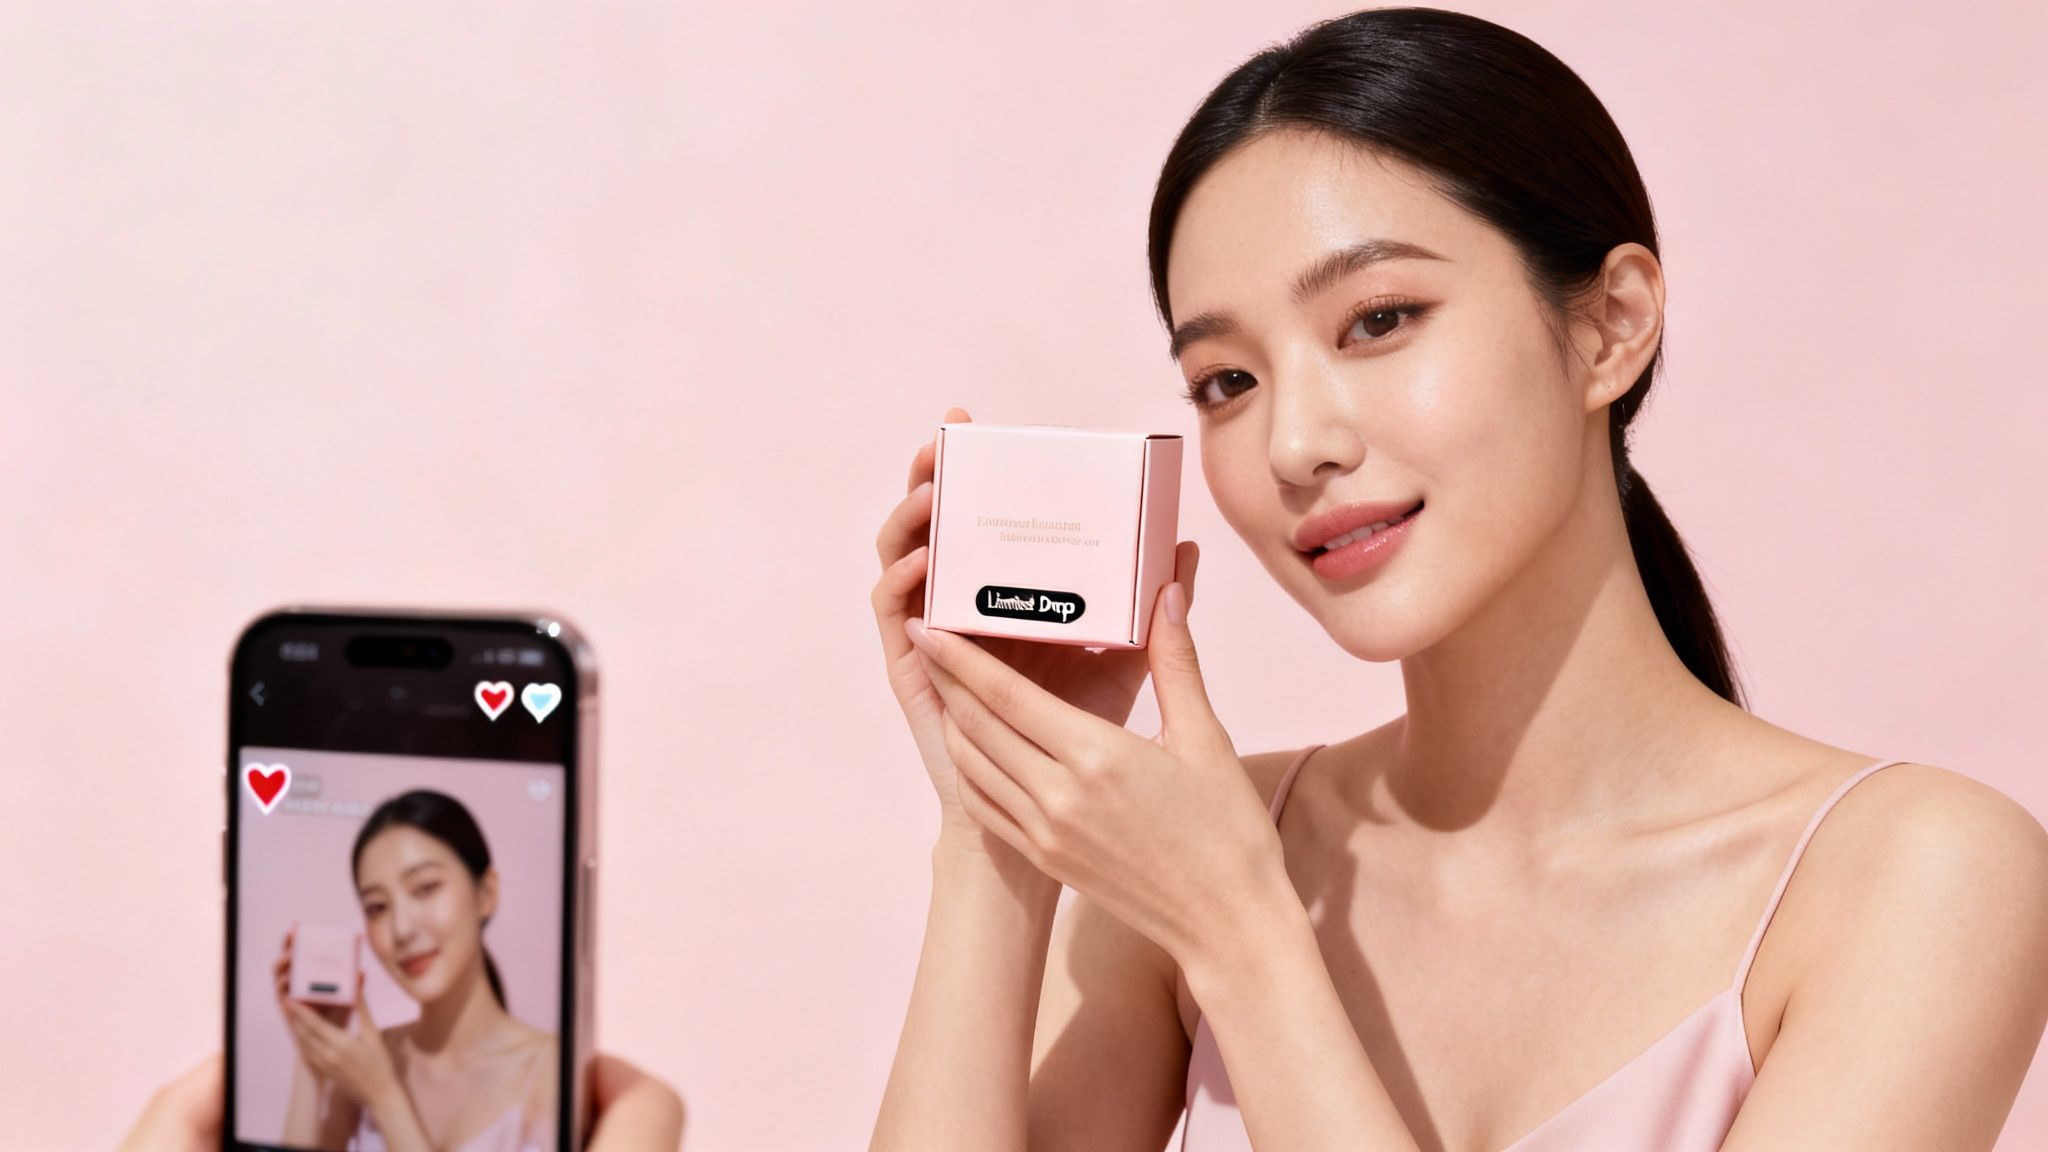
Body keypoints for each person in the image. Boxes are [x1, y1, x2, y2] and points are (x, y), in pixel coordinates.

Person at [868, 9, 2048, 1151]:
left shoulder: (1918, 880)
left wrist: (1244, 940)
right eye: (1226, 381)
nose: (1293, 445)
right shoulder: (1190, 856)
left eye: (1378, 319)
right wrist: (998, 833)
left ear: (1608, 326)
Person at [270, 789, 559, 1150]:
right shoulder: (365, 1063)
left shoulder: (548, 1072)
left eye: (425, 888)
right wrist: (312, 1055)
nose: (402, 929)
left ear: (486, 893)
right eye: (377, 907)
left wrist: (386, 1098)